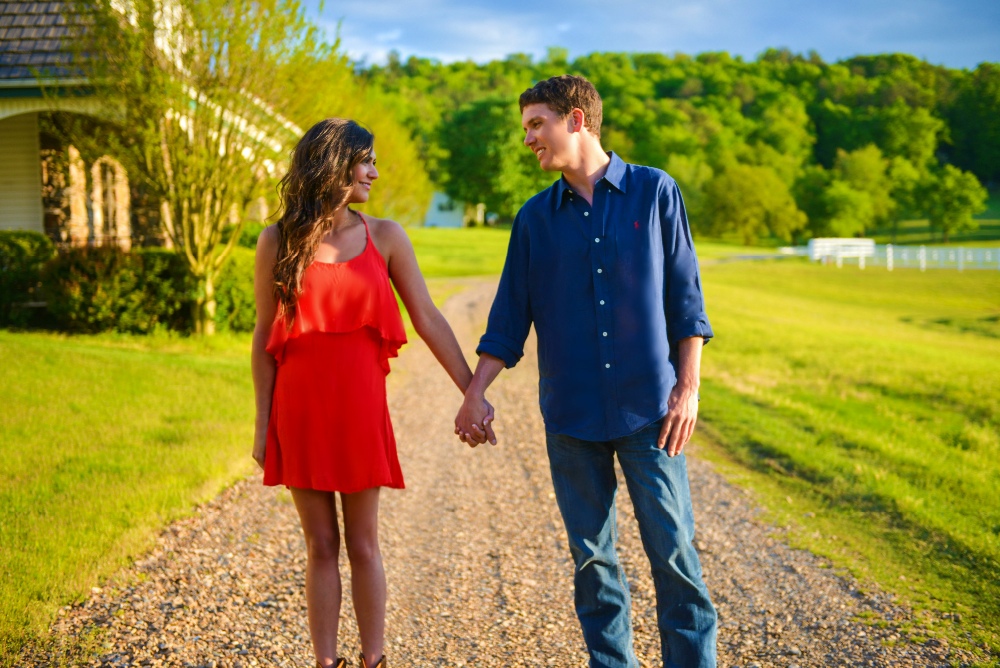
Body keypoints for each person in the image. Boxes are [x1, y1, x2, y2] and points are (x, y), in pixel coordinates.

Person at [455, 75, 718, 667]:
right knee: (593, 564)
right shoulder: (534, 219)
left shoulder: (655, 193)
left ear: (576, 120)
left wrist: (688, 388)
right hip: (570, 418)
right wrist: (475, 393)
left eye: (535, 124)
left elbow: (686, 300)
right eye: (526, 127)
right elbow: (507, 318)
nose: (528, 138)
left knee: (674, 556)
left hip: (651, 412)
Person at [252, 118, 494, 668]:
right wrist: (262, 424)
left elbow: (428, 318)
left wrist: (472, 391)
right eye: (366, 161)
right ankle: (325, 663)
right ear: (333, 164)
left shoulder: (385, 237)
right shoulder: (276, 241)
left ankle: (374, 659)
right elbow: (264, 340)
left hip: (360, 414)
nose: (376, 173)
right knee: (320, 548)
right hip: (300, 415)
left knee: (363, 546)